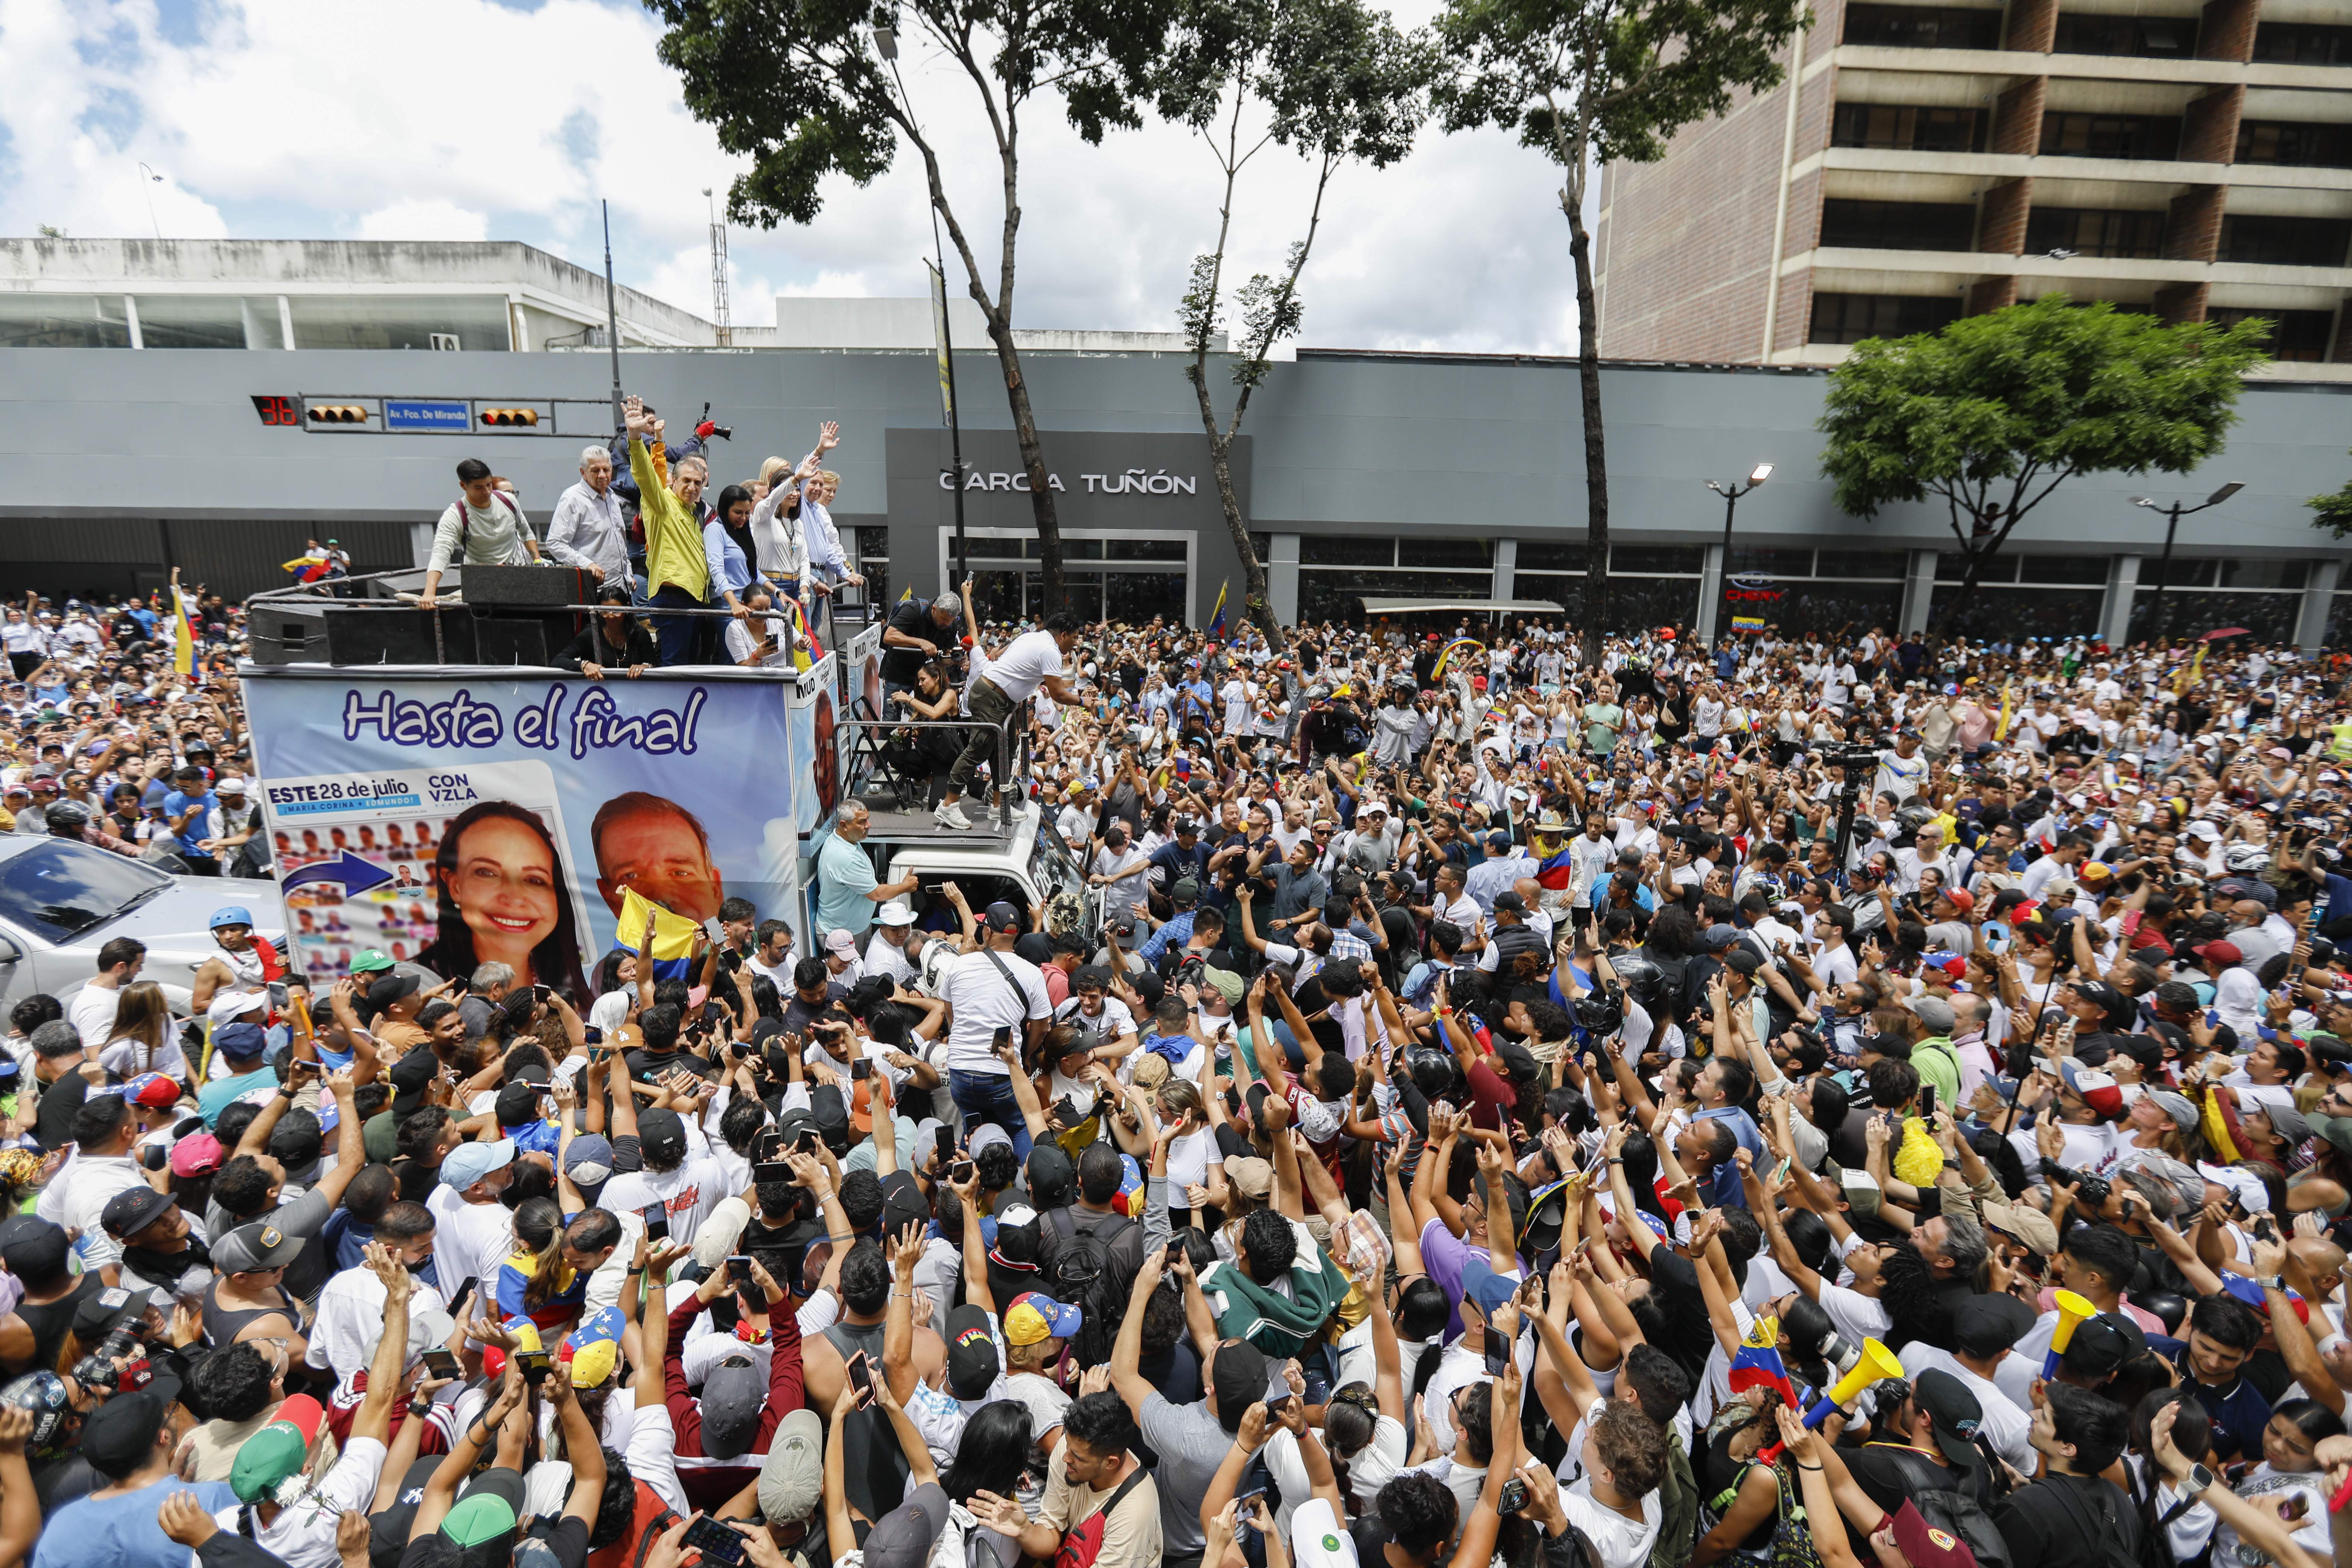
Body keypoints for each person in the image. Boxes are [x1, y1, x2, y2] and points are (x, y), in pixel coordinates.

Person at [414, 798, 591, 1004]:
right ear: (455, 886)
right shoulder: (423, 986)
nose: (514, 898)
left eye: (534, 879)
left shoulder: (574, 995)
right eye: (487, 873)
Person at [934, 612, 1086, 831]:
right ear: (1063, 635)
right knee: (977, 751)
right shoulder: (1050, 651)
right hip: (991, 698)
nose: (1075, 644)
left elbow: (1004, 656)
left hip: (1004, 701)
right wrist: (1084, 701)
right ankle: (948, 805)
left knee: (1005, 752)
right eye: (1074, 638)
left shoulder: (1033, 636)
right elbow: (1059, 694)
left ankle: (999, 804)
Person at [418, 458, 542, 611]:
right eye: (478, 487)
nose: (487, 492)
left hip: (516, 579)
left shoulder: (508, 501)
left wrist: (538, 561)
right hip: (481, 586)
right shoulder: (455, 515)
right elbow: (440, 554)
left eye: (489, 484)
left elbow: (526, 532)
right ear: (463, 486)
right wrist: (430, 593)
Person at [815, 802, 919, 948]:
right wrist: (905, 887)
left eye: (868, 819)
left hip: (857, 927)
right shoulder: (845, 857)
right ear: (844, 825)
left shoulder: (846, 840)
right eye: (862, 822)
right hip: (842, 935)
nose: (869, 825)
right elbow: (876, 894)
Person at [544, 444, 633, 589]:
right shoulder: (572, 498)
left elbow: (620, 540)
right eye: (596, 471)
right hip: (592, 590)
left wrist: (628, 574)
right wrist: (588, 565)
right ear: (583, 472)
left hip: (621, 588)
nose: (602, 475)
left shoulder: (612, 496)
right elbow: (555, 543)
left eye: (606, 470)